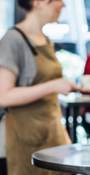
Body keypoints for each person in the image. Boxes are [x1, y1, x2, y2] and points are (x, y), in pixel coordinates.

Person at [0, 0, 77, 174]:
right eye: (59, 0)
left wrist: (64, 136)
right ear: (39, 2)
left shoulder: (45, 39)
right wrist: (53, 86)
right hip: (26, 139)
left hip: (54, 135)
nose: (63, 5)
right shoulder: (12, 40)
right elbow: (3, 96)